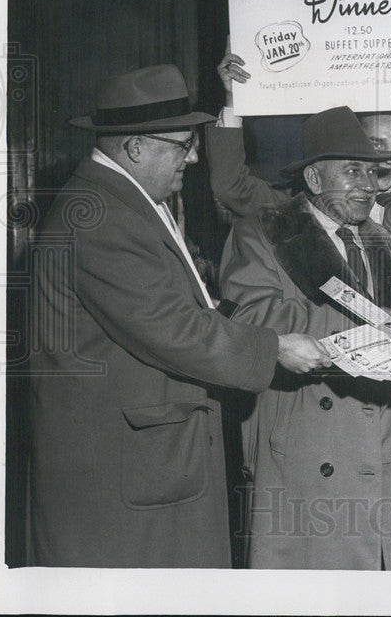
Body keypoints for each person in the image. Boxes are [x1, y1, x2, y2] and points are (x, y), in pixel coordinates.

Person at [27, 64, 328, 568]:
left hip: (143, 465)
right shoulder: (100, 217)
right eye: (182, 144)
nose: (192, 156)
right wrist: (274, 348)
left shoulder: (121, 199)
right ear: (136, 147)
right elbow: (174, 329)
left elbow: (184, 306)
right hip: (121, 478)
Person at [217, 105, 391, 570]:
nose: (368, 181)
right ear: (314, 179)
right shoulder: (264, 234)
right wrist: (366, 328)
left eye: (372, 169)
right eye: (352, 170)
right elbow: (251, 317)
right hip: (314, 438)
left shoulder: (388, 242)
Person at [208, 50, 391, 261]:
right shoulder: (294, 206)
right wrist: (233, 101)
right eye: (375, 143)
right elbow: (231, 186)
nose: (388, 157)